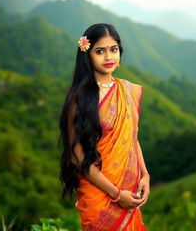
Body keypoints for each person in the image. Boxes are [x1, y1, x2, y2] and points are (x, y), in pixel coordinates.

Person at [59, 23, 150, 230]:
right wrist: (117, 195)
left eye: (113, 49)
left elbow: (132, 139)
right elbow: (77, 156)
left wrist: (145, 175)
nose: (108, 57)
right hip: (97, 195)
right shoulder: (78, 99)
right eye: (100, 51)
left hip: (129, 192)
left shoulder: (126, 90)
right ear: (87, 55)